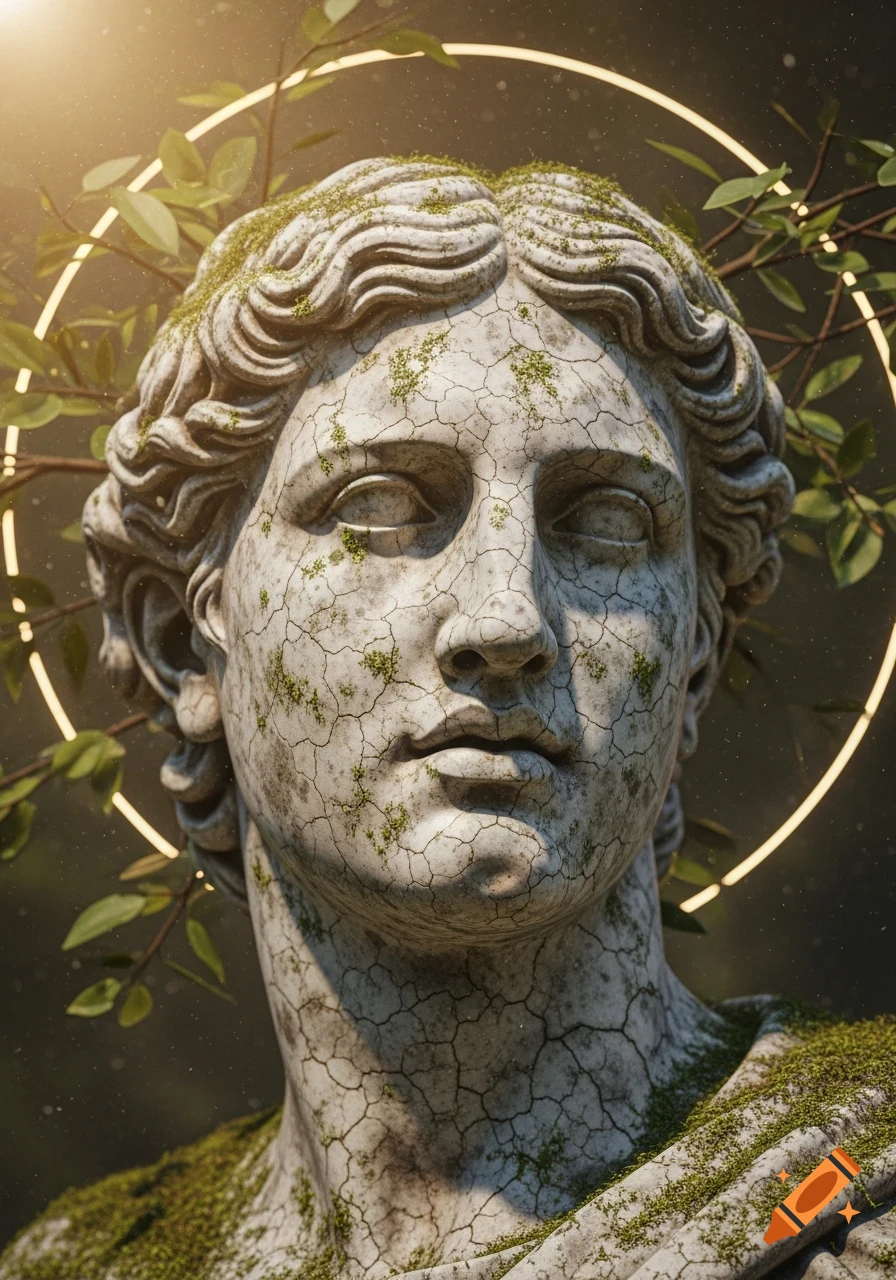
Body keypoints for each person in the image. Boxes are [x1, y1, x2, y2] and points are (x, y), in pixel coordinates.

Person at [3, 158, 893, 1280]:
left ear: (695, 655)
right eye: (378, 502)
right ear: (186, 636)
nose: (503, 616)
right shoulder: (86, 1262)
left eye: (605, 518)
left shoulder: (861, 1210)